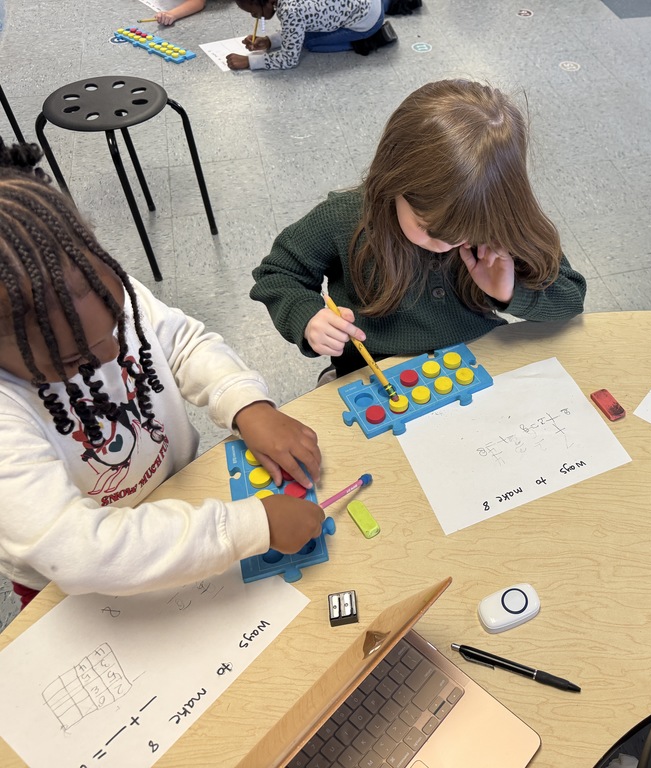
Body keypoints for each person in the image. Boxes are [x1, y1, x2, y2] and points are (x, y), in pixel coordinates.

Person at [0, 139, 326, 611]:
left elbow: (181, 343)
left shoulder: (88, 289)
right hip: (76, 588)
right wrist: (251, 528)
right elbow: (79, 552)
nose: (114, 351)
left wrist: (246, 404)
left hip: (180, 502)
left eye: (115, 322)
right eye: (73, 360)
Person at [251, 79, 588, 381]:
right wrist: (306, 317)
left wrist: (510, 292)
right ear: (393, 180)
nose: (447, 245)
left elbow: (571, 298)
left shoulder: (498, 218)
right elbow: (278, 273)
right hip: (375, 372)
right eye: (429, 228)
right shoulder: (344, 218)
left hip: (477, 361)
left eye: (468, 233)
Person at [227, 0, 395, 71]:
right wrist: (270, 41)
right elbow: (298, 25)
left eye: (253, 11)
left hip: (367, 22)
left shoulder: (290, 10)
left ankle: (369, 40)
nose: (254, 16)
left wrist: (249, 62)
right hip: (371, 4)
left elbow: (289, 59)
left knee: (309, 42)